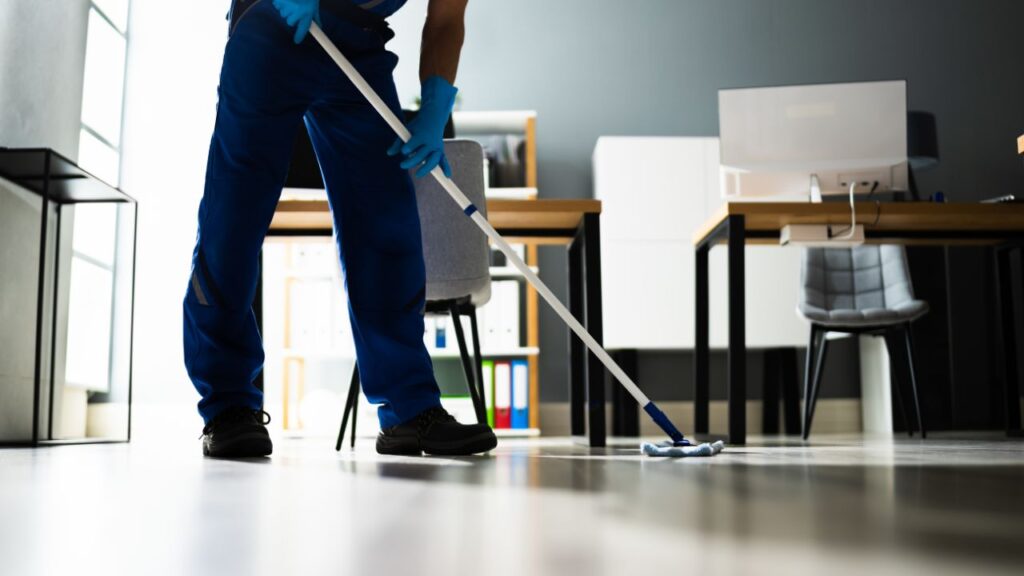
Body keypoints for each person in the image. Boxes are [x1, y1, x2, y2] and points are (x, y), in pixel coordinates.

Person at [183, 0, 496, 458]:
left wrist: (434, 106)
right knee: (235, 214)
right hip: (275, 24)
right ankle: (228, 406)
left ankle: (409, 408)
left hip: (360, 47)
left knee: (386, 221)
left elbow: (447, 19)